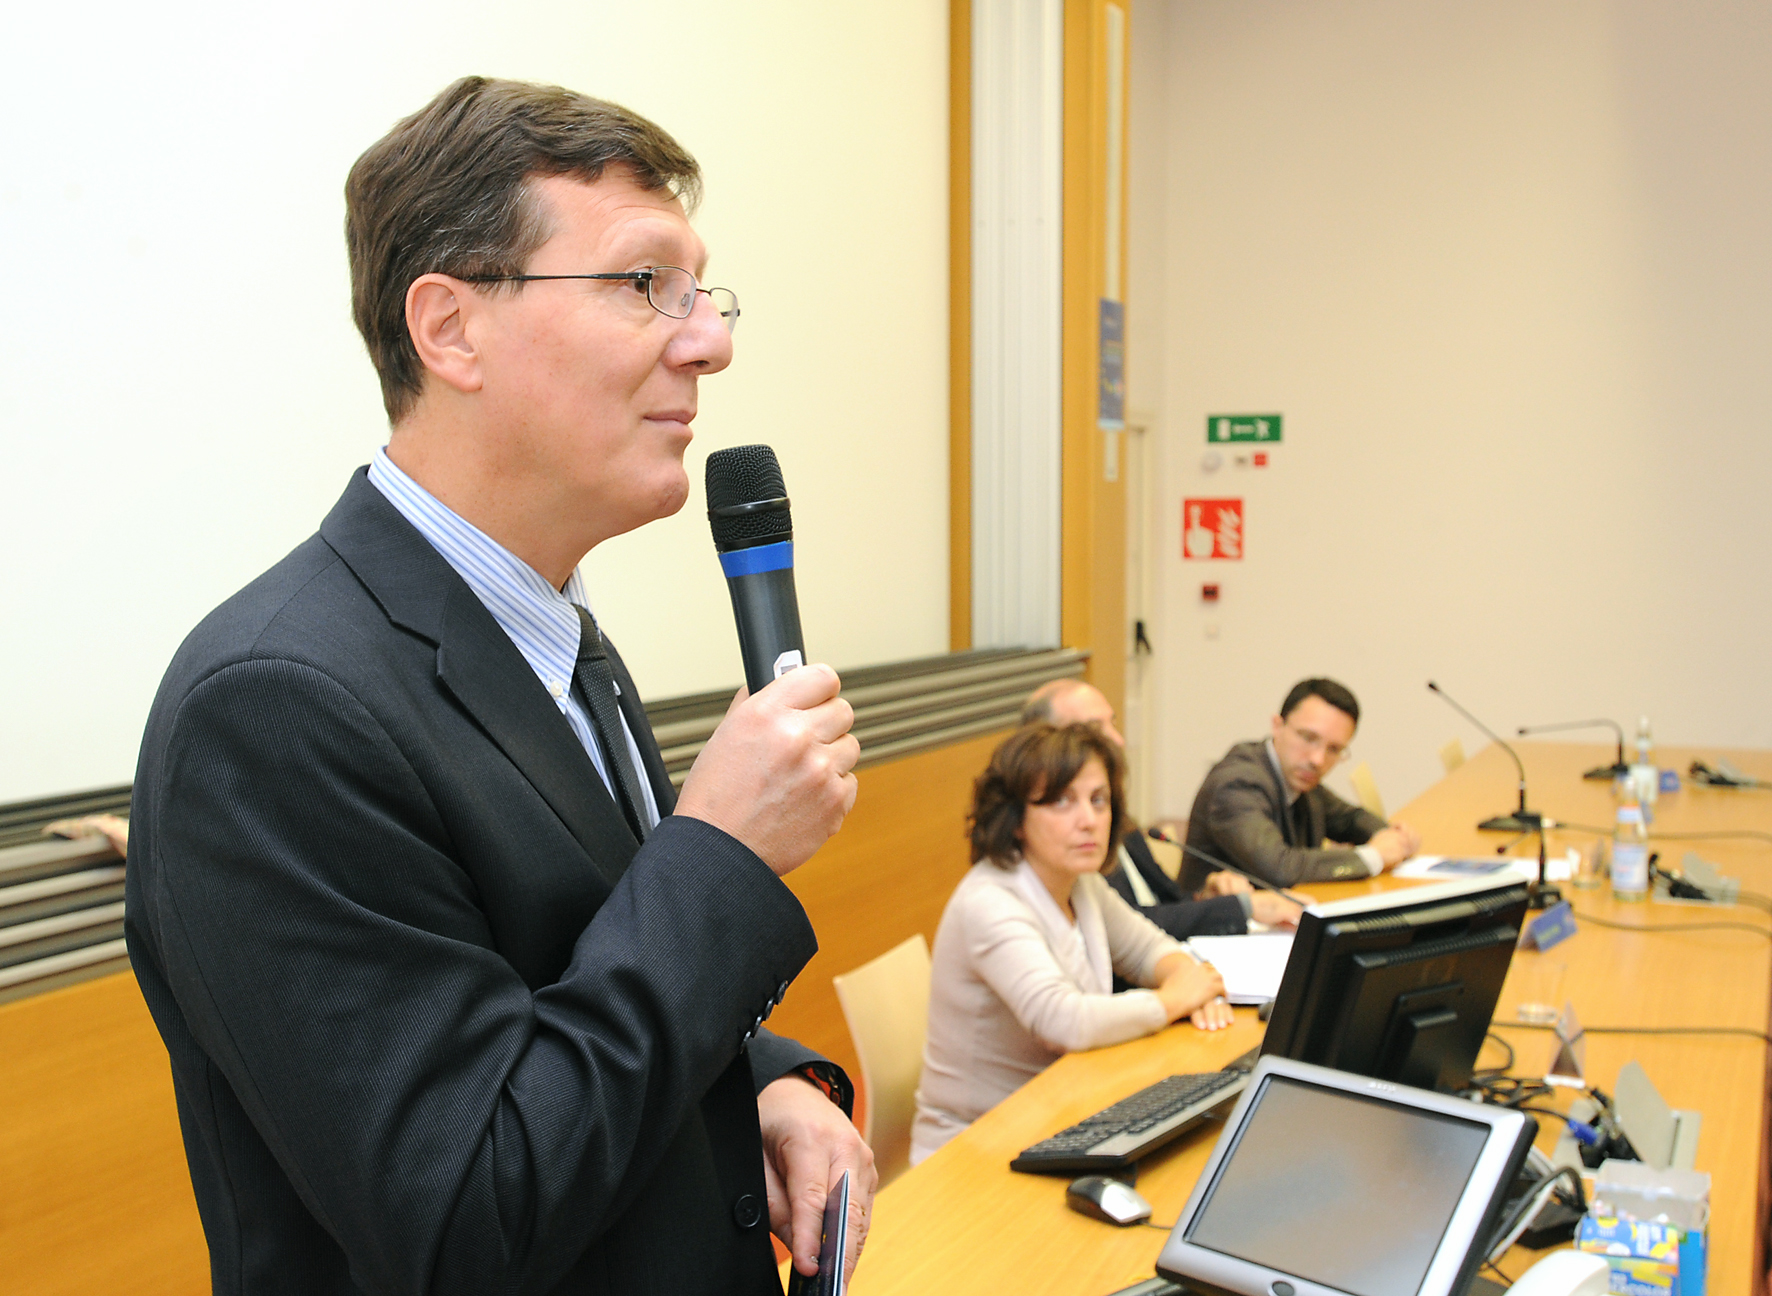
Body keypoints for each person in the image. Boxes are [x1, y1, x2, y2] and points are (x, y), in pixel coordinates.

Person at [124, 77, 873, 1296]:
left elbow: (553, 986)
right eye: (646, 283)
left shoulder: (555, 637)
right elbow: (461, 1208)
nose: (710, 341)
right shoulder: (271, 707)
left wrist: (761, 1081)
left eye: (702, 292)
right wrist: (720, 855)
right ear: (450, 329)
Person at [909, 724, 1232, 1165]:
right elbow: (1064, 1021)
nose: (1089, 820)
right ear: (1015, 818)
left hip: (1065, 1115)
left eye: (1098, 800)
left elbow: (1148, 950)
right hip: (976, 1147)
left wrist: (1190, 980)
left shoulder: (1081, 883)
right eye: (1062, 801)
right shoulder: (989, 902)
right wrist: (1175, 999)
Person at [1023, 679, 1303, 938]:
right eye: (1095, 730)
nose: (1118, 740)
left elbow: (1165, 902)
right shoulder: (1063, 841)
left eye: (1113, 724)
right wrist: (1242, 907)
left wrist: (1206, 897)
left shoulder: (1116, 815)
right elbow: (1127, 925)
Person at [1183, 677, 1422, 890]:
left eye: (1334, 749)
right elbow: (1279, 868)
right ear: (1277, 726)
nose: (1318, 760)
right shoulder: (1237, 784)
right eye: (1308, 738)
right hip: (1221, 923)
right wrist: (1373, 857)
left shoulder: (1298, 776)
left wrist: (1392, 836)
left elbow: (1350, 819)